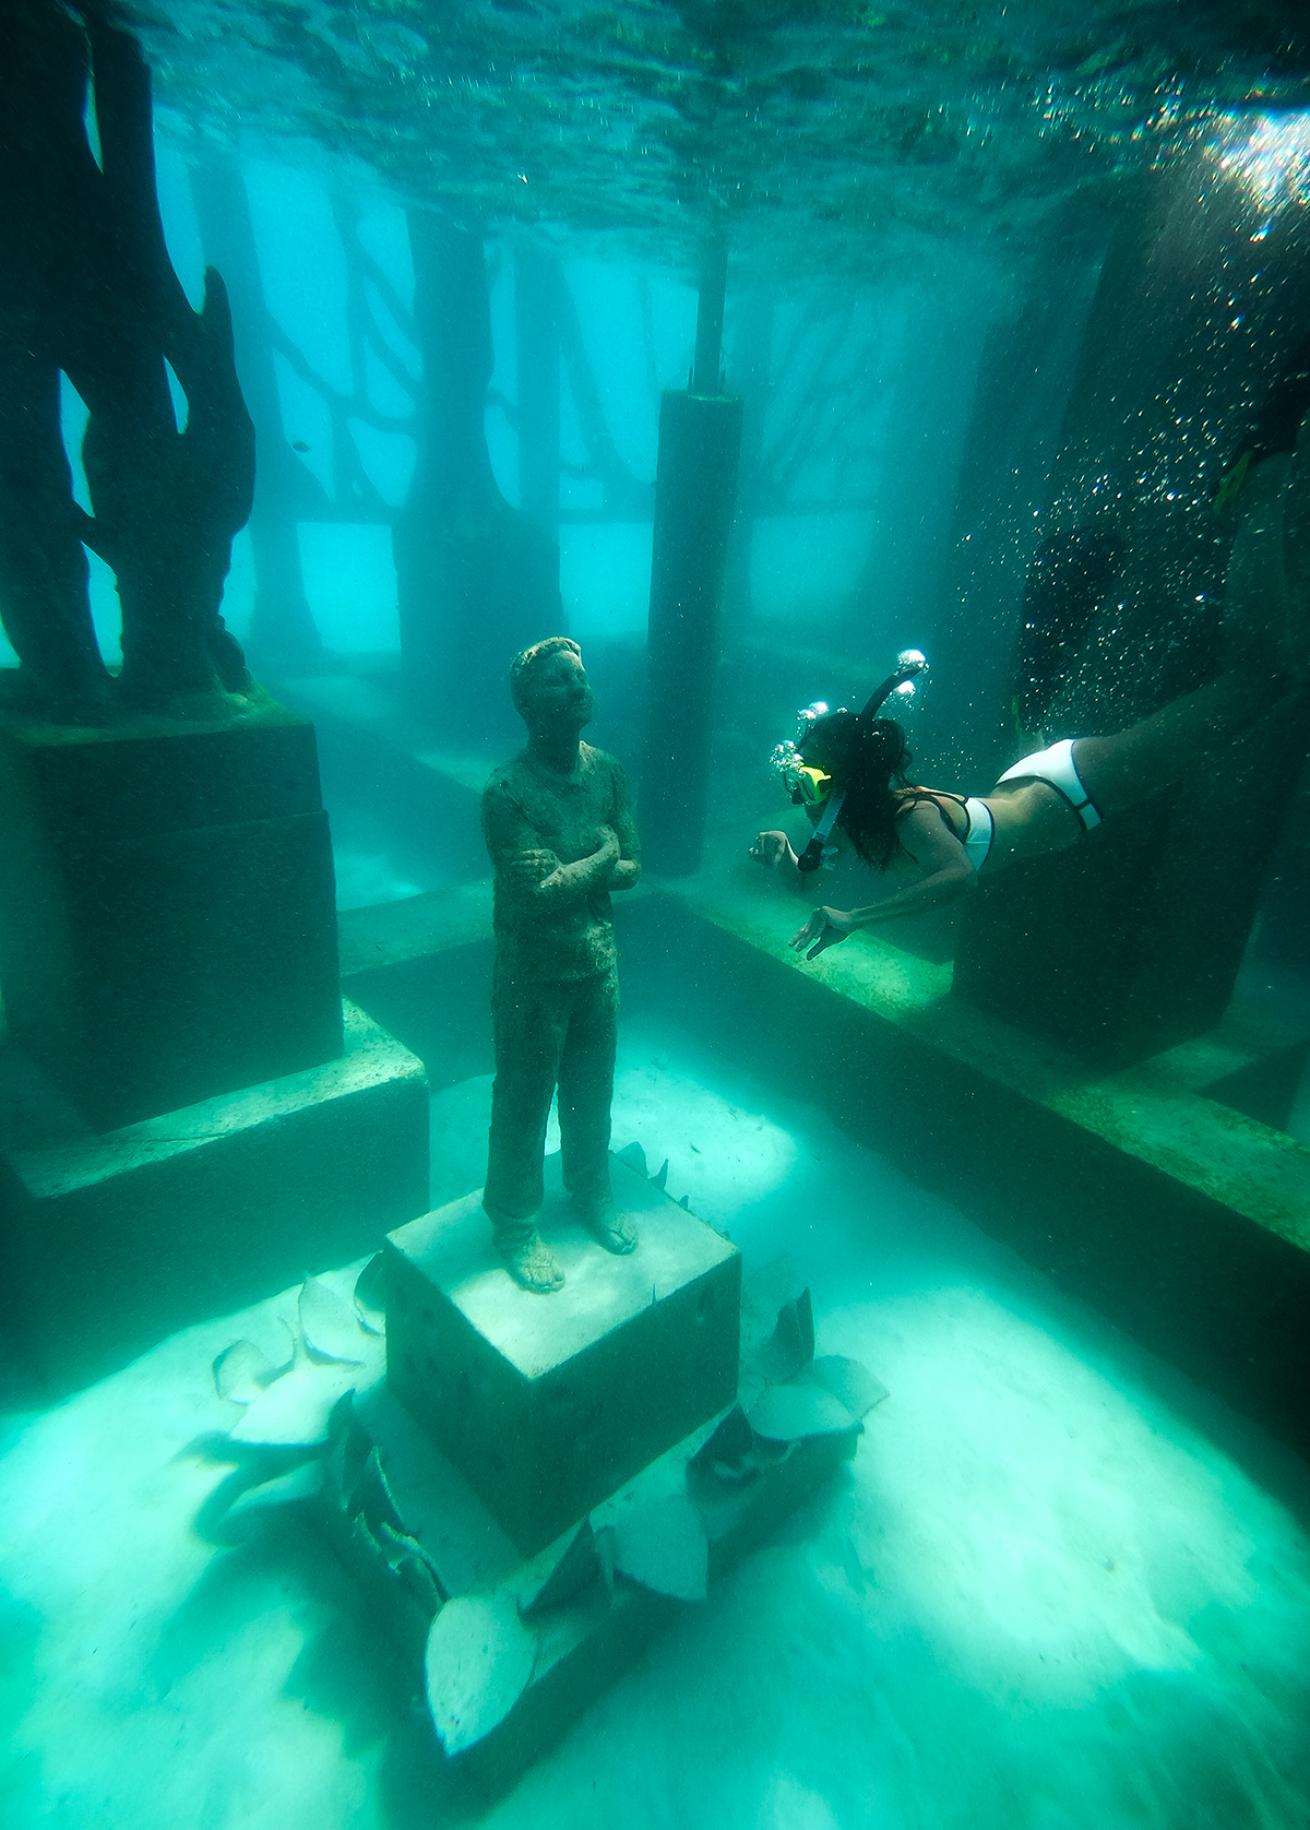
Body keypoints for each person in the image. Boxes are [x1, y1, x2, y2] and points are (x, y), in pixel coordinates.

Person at [753, 433, 1308, 961]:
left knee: (1261, 683)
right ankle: (1036, 701)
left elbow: (957, 877)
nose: (801, 794)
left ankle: (1263, 484)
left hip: (1076, 791)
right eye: (797, 780)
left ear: (846, 780)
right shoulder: (852, 822)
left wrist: (856, 917)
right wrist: (783, 854)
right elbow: (806, 888)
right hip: (1033, 788)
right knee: (1240, 700)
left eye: (808, 781)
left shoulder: (905, 816)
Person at [481, 636, 642, 1292]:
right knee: (524, 1100)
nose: (577, 688)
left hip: (598, 965)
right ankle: (515, 1223)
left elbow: (636, 866)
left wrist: (596, 866)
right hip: (533, 976)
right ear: (526, 704)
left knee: (590, 1092)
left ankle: (590, 1190)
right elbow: (537, 894)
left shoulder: (607, 771)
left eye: (580, 676)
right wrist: (601, 858)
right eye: (557, 681)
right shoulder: (506, 792)